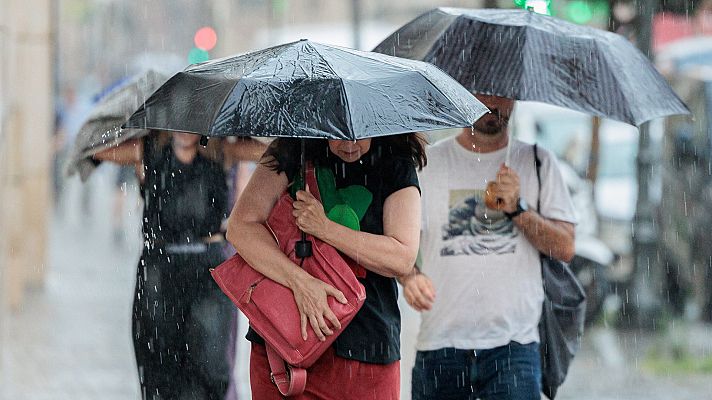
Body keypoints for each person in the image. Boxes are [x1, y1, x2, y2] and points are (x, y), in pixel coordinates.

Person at [402, 94, 576, 400]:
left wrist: (518, 210)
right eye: (483, 91)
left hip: (515, 348)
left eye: (503, 92)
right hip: (440, 345)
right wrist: (409, 277)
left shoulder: (537, 162)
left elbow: (565, 247)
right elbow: (400, 242)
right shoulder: (428, 164)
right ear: (461, 90)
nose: (493, 103)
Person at [226, 135, 424, 399]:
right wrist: (300, 282)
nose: (350, 145)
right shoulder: (293, 148)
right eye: (338, 136)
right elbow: (240, 227)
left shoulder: (395, 160)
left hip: (366, 350)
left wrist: (326, 229)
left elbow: (401, 257)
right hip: (285, 352)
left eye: (359, 135)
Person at [93, 132, 265, 399]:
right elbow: (96, 149)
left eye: (192, 118)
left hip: (208, 268)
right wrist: (138, 128)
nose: (185, 128)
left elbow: (269, 151)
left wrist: (232, 130)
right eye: (178, 117)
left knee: (212, 367)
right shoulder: (148, 149)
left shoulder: (222, 150)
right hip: (159, 269)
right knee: (159, 365)